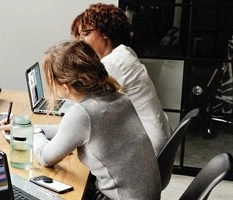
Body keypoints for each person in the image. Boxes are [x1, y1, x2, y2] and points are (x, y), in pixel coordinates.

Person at [35, 41, 160, 199]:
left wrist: (34, 134)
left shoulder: (82, 114)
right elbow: (67, 132)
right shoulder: (119, 98)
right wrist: (29, 128)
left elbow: (46, 157)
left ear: (65, 87)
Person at [72, 3, 171, 156]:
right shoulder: (124, 53)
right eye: (78, 36)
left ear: (105, 32)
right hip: (154, 139)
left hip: (148, 149)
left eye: (85, 33)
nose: (80, 41)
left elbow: (85, 107)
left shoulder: (113, 63)